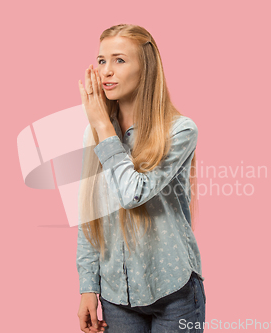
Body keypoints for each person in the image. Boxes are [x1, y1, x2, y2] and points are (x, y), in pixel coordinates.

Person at [76, 24, 206, 333]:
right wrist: (87, 287)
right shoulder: (93, 133)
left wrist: (103, 129)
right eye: (102, 60)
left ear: (145, 68)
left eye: (119, 60)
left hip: (173, 292)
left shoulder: (180, 131)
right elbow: (89, 214)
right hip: (116, 296)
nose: (107, 71)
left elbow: (132, 194)